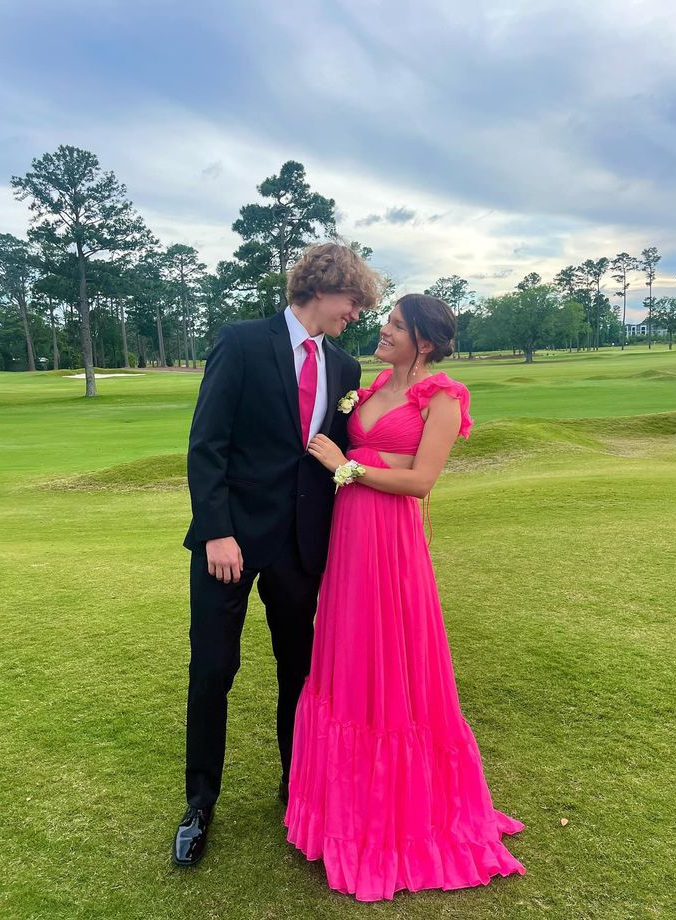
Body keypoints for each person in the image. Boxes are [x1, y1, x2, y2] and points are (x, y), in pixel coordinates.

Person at [285, 294, 526, 901]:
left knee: (395, 659)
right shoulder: (365, 392)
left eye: (395, 325)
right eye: (386, 322)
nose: (383, 331)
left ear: (423, 341)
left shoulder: (443, 396)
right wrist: (357, 462)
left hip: (391, 542)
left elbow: (420, 481)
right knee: (349, 658)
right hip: (349, 539)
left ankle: (402, 819)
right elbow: (373, 452)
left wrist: (350, 466)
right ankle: (341, 812)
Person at [172, 242, 381, 867]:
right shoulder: (240, 342)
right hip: (228, 544)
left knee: (300, 672)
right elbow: (207, 444)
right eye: (353, 301)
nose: (356, 314)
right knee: (214, 669)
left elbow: (335, 452)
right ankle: (200, 803)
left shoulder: (343, 368)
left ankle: (297, 790)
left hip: (300, 545)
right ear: (323, 287)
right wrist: (216, 530)